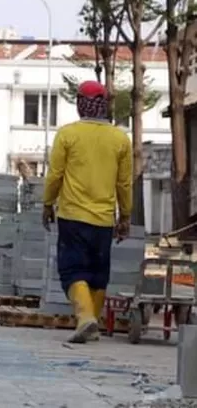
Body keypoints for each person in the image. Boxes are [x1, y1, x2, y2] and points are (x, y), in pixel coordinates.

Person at [42, 80, 132, 344]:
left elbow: (55, 175)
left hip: (72, 217)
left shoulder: (68, 134)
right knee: (97, 272)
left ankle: (85, 318)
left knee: (72, 270)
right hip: (104, 220)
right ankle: (92, 323)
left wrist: (47, 204)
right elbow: (124, 183)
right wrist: (125, 215)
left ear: (80, 104)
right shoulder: (119, 138)